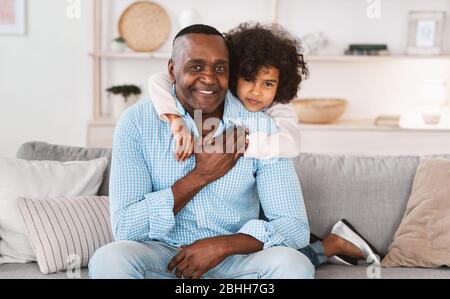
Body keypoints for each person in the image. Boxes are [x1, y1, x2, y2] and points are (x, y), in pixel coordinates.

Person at [89, 24, 314, 279]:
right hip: (164, 260)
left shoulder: (261, 127)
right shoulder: (138, 123)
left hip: (236, 263)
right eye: (196, 67)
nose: (209, 78)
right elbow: (126, 228)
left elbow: (295, 228)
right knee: (109, 260)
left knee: (294, 265)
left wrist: (223, 245)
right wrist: (202, 174)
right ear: (172, 70)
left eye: (220, 68)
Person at [147, 22, 381, 267]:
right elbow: (159, 79)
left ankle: (331, 244)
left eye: (267, 84)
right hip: (242, 200)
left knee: (278, 249)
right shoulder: (220, 93)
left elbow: (290, 145)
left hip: (264, 194)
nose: (256, 92)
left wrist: (240, 144)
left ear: (280, 86)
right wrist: (174, 119)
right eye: (248, 79)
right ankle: (326, 246)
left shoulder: (279, 109)